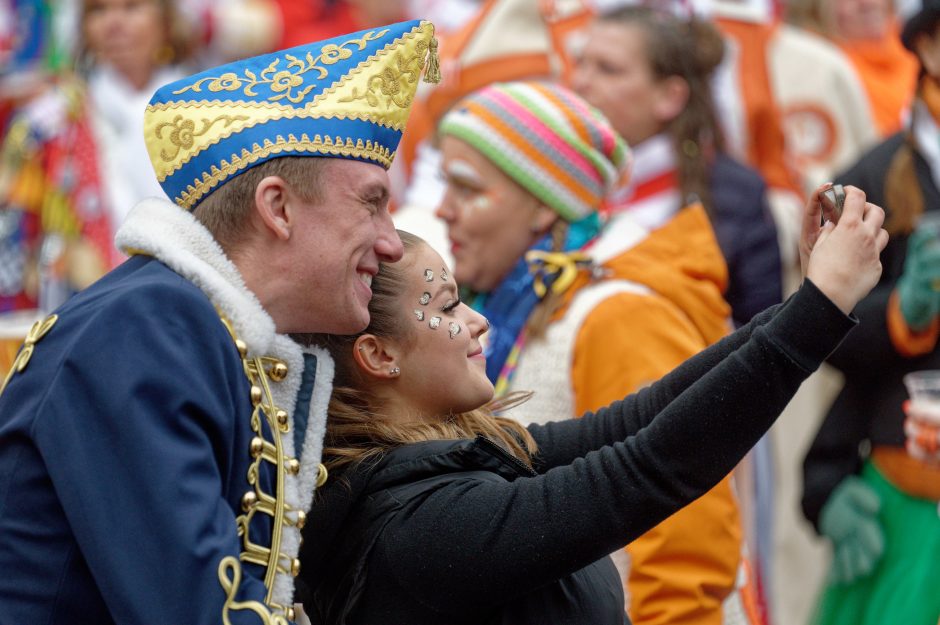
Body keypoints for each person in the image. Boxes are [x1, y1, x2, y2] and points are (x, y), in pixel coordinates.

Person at [0, 19, 439, 625]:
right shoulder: (146, 327)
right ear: (277, 208)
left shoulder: (186, 322)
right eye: (372, 202)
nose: (392, 243)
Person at [293, 180, 886, 624]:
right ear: (377, 356)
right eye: (448, 307)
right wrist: (821, 309)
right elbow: (650, 467)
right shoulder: (423, 527)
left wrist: (806, 301)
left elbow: (636, 420)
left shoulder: (453, 455)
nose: (477, 323)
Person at [433, 80, 747, 625]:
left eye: (466, 188)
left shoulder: (620, 315)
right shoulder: (500, 305)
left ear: (541, 206)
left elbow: (684, 537)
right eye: (444, 185)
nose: (442, 210)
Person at [801, 3, 940, 624]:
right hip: (906, 499)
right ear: (929, 47)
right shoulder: (868, 182)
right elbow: (814, 331)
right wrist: (903, 313)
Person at [0, 0, 194, 313]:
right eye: (98, 10)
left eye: (132, 8)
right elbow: (14, 241)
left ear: (167, 21)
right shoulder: (48, 121)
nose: (113, 23)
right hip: (87, 311)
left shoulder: (205, 110)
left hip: (190, 305)